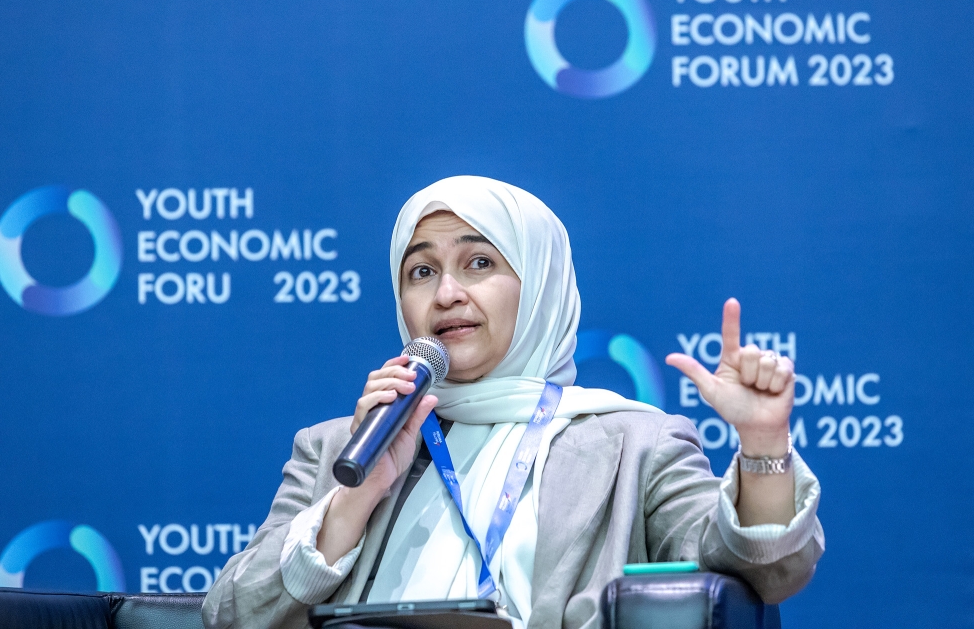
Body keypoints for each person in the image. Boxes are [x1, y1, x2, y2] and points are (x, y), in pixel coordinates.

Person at [203, 176, 824, 629]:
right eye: (421, 272)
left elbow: (762, 577)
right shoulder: (340, 449)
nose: (446, 294)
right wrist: (354, 499)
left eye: (478, 263)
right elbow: (231, 615)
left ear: (542, 287)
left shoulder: (633, 444)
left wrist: (764, 447)